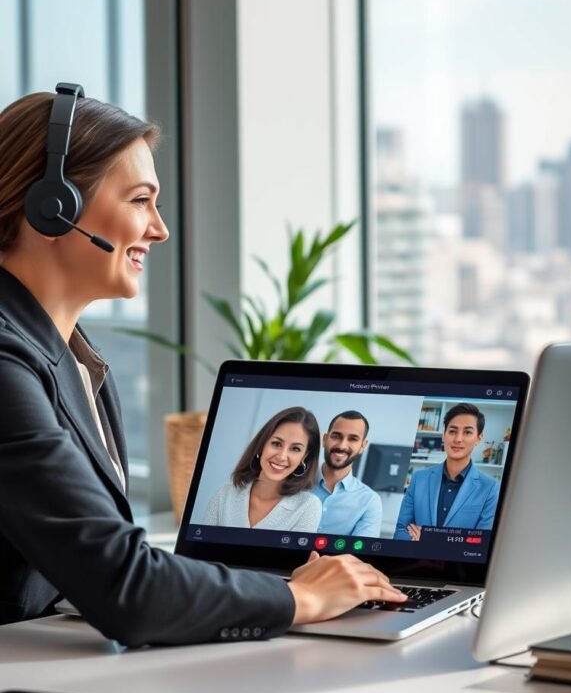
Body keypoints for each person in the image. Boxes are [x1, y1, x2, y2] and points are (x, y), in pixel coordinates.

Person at [0, 87, 406, 647]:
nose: (159, 229)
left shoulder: (72, 356)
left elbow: (98, 558)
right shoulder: (7, 363)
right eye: (140, 200)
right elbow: (125, 587)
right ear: (52, 206)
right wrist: (301, 598)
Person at [203, 407, 323, 530]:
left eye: (295, 449)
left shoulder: (308, 506)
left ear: (304, 456)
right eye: (276, 444)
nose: (282, 457)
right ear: (262, 444)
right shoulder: (224, 495)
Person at [394, 402, 499, 540]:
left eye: (467, 432)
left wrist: (428, 539)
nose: (458, 439)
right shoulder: (419, 479)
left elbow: (481, 542)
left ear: (478, 438)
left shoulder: (490, 488)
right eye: (452, 431)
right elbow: (400, 531)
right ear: (444, 435)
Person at [313, 411, 383, 538]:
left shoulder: (370, 501)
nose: (342, 445)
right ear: (325, 439)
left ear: (363, 446)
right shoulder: (294, 484)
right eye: (336, 436)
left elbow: (360, 549)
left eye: (353, 439)